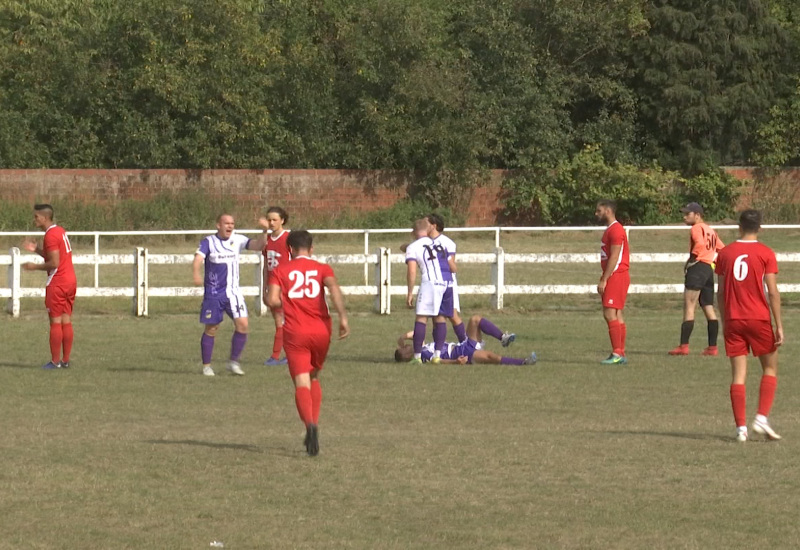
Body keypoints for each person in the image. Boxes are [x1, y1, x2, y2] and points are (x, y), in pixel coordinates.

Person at [266, 230, 349, 456]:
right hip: (321, 331)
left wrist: (285, 302)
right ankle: (314, 422)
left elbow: (271, 299)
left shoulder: (280, 270)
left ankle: (310, 425)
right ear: (311, 249)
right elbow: (333, 289)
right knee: (313, 377)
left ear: (290, 249)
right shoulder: (323, 268)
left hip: (295, 332)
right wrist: (342, 317)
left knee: (301, 382)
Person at [715, 209, 783, 442]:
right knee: (770, 368)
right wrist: (779, 325)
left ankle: (741, 429)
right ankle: (761, 418)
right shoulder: (766, 253)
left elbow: (721, 292)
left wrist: (725, 321)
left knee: (738, 375)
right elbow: (772, 292)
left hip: (734, 319)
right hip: (759, 318)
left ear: (739, 226)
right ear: (760, 227)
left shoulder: (725, 253)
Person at [193, 213, 269, 376]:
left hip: (233, 293)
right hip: (214, 294)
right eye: (226, 223)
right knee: (212, 328)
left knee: (243, 325)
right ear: (218, 225)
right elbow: (198, 258)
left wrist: (264, 232)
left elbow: (258, 246)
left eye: (232, 223)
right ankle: (207, 366)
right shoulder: (209, 242)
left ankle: (233, 362)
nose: (230, 226)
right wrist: (196, 273)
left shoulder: (238, 239)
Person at [21, 204, 77, 369]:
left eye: (36, 217)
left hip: (57, 282)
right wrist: (37, 250)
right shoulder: (59, 230)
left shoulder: (50, 235)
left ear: (44, 217)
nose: (34, 220)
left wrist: (34, 267)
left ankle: (54, 362)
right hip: (70, 280)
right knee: (66, 320)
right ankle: (65, 360)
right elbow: (55, 255)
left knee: (55, 322)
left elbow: (54, 262)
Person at [669, 202, 725, 356]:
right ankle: (712, 347)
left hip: (698, 268)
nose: (684, 216)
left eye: (688, 214)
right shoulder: (711, 230)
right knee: (708, 306)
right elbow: (722, 249)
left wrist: (690, 261)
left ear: (697, 215)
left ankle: (683, 346)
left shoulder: (696, 228)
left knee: (689, 305)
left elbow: (699, 244)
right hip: (708, 269)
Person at [405, 214, 459, 364]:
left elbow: (412, 271)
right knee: (440, 318)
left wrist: (410, 293)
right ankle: (437, 356)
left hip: (431, 283)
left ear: (414, 232)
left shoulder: (413, 247)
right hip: (447, 282)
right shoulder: (440, 244)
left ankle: (416, 358)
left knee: (421, 318)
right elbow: (452, 266)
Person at [395, 314, 535, 365]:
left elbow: (415, 333)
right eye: (405, 347)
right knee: (492, 357)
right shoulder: (423, 355)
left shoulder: (421, 348)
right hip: (462, 354)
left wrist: (402, 337)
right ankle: (523, 362)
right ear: (407, 353)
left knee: (476, 319)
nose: (407, 346)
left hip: (464, 345)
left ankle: (502, 338)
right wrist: (455, 362)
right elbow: (438, 361)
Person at [595, 199, 630, 364]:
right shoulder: (611, 229)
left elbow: (615, 257)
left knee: (609, 313)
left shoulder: (616, 230)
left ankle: (617, 353)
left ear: (608, 211)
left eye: (599, 211)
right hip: (617, 275)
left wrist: (604, 279)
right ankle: (620, 353)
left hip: (616, 275)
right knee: (617, 314)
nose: (597, 214)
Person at [258, 206, 291, 366]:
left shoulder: (289, 239)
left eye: (274, 220)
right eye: (269, 219)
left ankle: (279, 355)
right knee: (279, 322)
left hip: (287, 287)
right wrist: (264, 287)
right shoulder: (267, 241)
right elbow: (266, 266)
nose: (271, 222)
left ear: (282, 221)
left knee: (288, 321)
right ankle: (278, 356)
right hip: (272, 286)